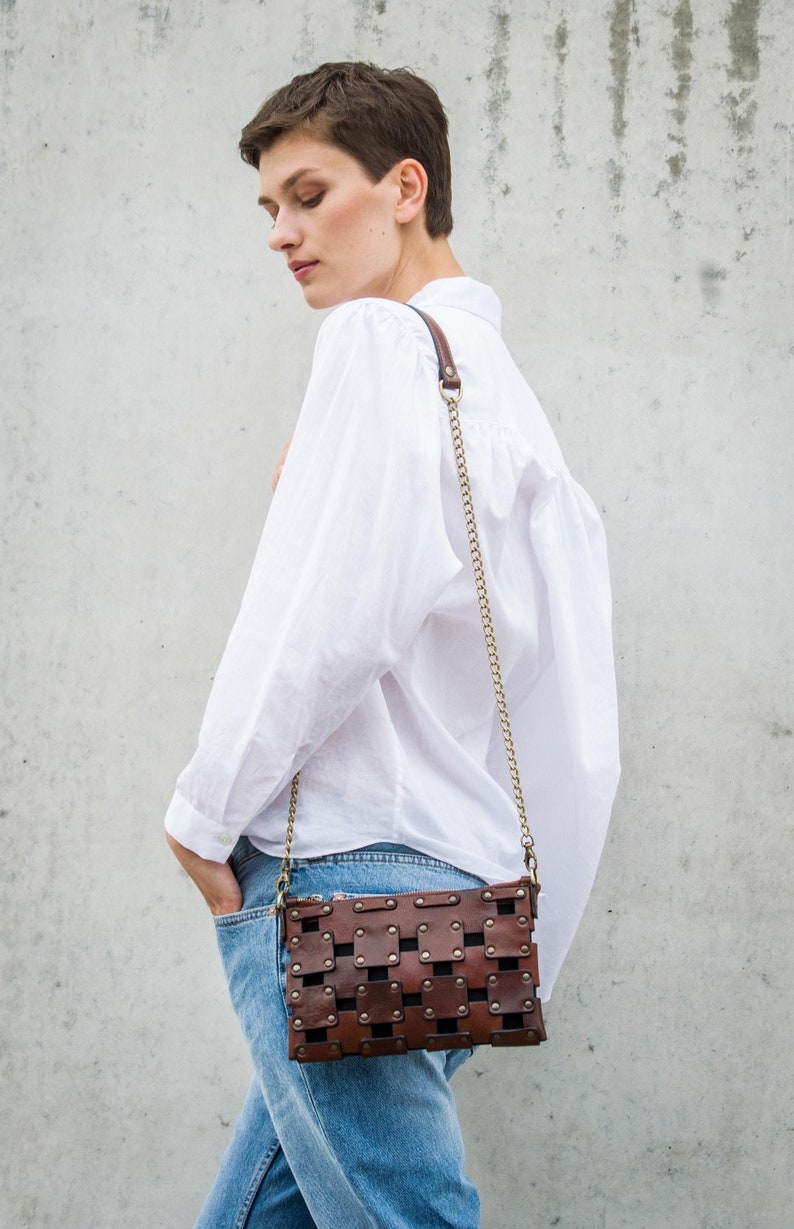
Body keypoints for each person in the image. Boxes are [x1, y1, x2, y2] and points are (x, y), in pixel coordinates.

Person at [165, 61, 620, 1229]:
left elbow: (326, 615)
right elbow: (572, 719)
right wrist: (528, 925)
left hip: (335, 884)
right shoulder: (507, 405)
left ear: (404, 185)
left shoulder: (377, 342)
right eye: (269, 208)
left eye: (309, 194)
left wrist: (203, 818)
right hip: (450, 904)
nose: (282, 233)